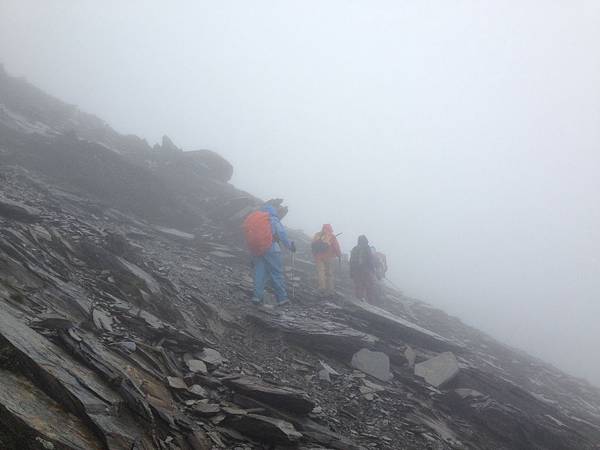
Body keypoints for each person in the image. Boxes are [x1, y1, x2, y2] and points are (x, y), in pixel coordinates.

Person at [247, 201, 295, 306]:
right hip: (272, 249)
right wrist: (290, 245)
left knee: (259, 274)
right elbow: (282, 234)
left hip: (258, 250)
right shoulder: (273, 219)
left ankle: (256, 297)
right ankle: (282, 298)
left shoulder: (257, 220)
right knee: (276, 273)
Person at [311, 224, 341, 296]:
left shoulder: (317, 235)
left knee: (321, 272)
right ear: (330, 229)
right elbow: (336, 246)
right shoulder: (331, 236)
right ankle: (330, 289)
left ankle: (322, 287)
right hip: (328, 257)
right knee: (329, 273)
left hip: (318, 257)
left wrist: (314, 254)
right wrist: (339, 254)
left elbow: (312, 245)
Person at [349, 235, 377, 304]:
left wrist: (351, 272)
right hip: (366, 270)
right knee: (369, 285)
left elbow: (351, 261)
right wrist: (373, 270)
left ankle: (359, 298)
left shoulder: (355, 248)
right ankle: (370, 301)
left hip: (356, 269)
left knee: (358, 284)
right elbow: (370, 260)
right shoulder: (367, 248)